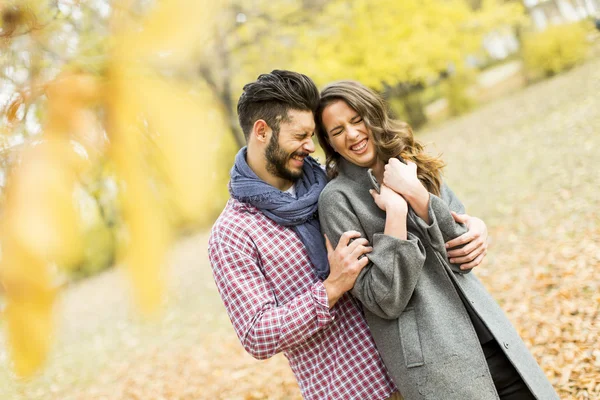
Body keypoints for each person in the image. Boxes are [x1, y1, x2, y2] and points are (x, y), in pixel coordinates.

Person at [209, 70, 488, 400]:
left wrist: (473, 225)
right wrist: (331, 288)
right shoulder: (232, 234)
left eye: (313, 135)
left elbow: (415, 233)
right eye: (300, 136)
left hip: (426, 369)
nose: (309, 147)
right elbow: (257, 333)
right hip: (352, 389)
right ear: (262, 131)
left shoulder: (331, 182)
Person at [316, 80, 559, 400]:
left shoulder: (411, 164)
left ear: (372, 114)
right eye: (337, 131)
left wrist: (416, 193)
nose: (351, 134)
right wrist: (396, 215)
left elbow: (463, 248)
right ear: (330, 144)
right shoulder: (337, 201)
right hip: (435, 359)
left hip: (491, 332)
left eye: (356, 118)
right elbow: (384, 299)